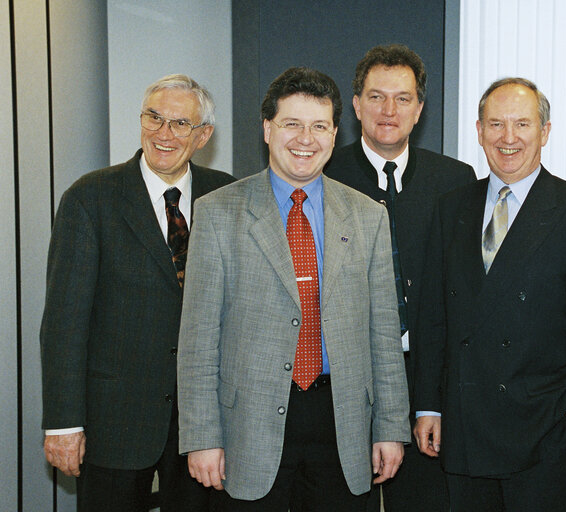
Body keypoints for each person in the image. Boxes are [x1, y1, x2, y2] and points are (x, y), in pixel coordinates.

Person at [177, 67, 410, 511]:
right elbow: (198, 340)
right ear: (267, 128)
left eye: (319, 126)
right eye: (292, 124)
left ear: (335, 133)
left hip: (343, 427)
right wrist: (202, 437)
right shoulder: (218, 213)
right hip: (247, 430)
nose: (306, 139)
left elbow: (383, 334)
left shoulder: (368, 216)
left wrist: (390, 426)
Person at [413, 77, 566, 511]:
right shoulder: (451, 208)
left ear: (545, 131)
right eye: (496, 124)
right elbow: (432, 318)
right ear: (479, 131)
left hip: (543, 430)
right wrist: (429, 405)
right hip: (464, 423)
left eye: (522, 124)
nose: (508, 138)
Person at [40, 74, 235, 511]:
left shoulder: (226, 195)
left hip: (205, 425)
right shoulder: (90, 198)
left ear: (203, 135)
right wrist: (62, 423)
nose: (163, 134)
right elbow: (64, 323)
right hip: (115, 424)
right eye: (154, 117)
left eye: (180, 124)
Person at [324, 43, 475, 512]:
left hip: (426, 377)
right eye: (376, 97)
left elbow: (461, 291)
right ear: (355, 105)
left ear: (420, 108)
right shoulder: (323, 175)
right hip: (345, 375)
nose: (389, 111)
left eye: (403, 98)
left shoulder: (456, 180)